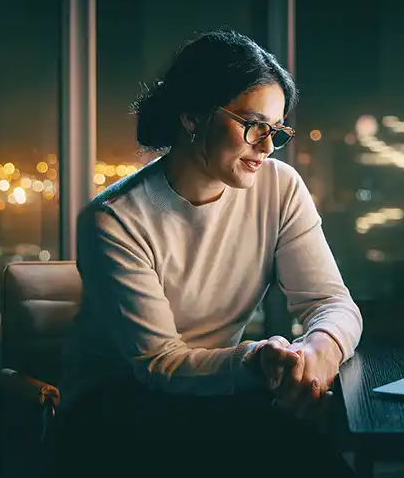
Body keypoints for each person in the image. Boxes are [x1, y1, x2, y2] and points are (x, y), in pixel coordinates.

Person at [55, 29, 363, 476]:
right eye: (253, 124)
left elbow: (332, 302)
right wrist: (256, 362)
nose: (266, 145)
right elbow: (159, 363)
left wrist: (317, 355)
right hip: (114, 407)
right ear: (192, 116)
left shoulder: (279, 188)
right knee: (293, 444)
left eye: (276, 130)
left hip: (216, 393)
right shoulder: (115, 218)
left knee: (308, 430)